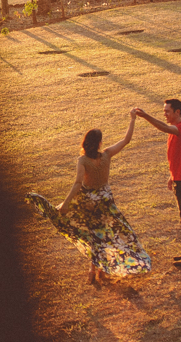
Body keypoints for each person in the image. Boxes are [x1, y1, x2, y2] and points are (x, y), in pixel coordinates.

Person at [27, 108, 151, 284]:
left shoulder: (83, 161)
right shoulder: (107, 154)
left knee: (93, 235)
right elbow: (126, 140)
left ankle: (93, 269)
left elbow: (78, 183)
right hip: (105, 201)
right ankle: (101, 270)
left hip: (88, 202)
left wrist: (65, 204)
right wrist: (132, 119)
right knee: (106, 233)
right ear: (100, 143)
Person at [136, 98, 181, 267]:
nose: (164, 114)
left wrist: (145, 116)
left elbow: (164, 128)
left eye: (167, 111)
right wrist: (172, 176)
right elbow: (178, 156)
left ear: (177, 112)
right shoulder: (176, 131)